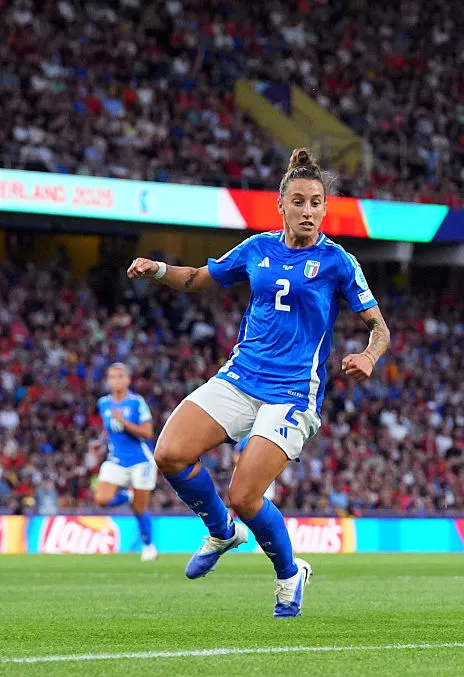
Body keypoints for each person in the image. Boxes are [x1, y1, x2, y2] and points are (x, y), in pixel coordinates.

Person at [126, 149, 390, 618]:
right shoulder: (256, 249)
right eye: (299, 202)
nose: (307, 211)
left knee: (245, 494)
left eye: (316, 203)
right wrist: (159, 270)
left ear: (325, 209)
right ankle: (222, 531)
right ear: (281, 205)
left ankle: (290, 574)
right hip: (240, 377)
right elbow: (197, 279)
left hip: (292, 394)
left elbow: (380, 327)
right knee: (169, 453)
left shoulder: (338, 261)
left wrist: (369, 356)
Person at [93, 363, 158, 562]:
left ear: (128, 379)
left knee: (140, 508)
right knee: (102, 499)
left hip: (141, 461)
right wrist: (100, 441)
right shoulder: (103, 403)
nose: (116, 380)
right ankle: (128, 497)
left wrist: (125, 422)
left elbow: (147, 433)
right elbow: (109, 427)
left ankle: (149, 546)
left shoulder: (136, 402)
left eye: (120, 376)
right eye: (112, 377)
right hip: (116, 459)